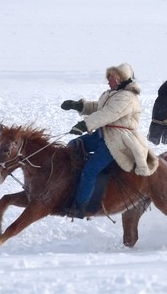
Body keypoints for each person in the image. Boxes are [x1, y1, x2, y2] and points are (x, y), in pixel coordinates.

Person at [59, 62, 159, 217]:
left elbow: (108, 114)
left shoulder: (127, 98)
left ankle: (81, 205)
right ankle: (71, 185)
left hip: (118, 140)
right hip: (102, 135)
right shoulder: (112, 94)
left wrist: (85, 124)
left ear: (120, 78)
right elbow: (99, 108)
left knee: (90, 170)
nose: (108, 81)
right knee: (73, 146)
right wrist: (79, 106)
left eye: (111, 77)